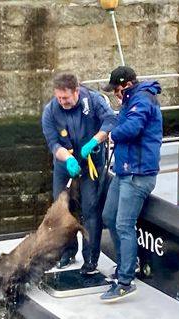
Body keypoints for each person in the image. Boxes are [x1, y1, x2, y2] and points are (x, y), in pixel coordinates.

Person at [89, 66, 163, 302]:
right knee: (109, 216)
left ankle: (125, 281)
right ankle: (127, 263)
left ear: (127, 85)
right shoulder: (130, 101)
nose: (115, 95)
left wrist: (113, 135)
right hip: (124, 171)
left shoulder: (141, 101)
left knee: (124, 224)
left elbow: (132, 128)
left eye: (116, 90)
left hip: (138, 174)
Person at [41, 72, 117, 274]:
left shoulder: (93, 101)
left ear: (76, 91)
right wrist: (67, 158)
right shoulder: (50, 111)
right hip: (66, 165)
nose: (62, 101)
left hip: (91, 164)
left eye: (65, 98)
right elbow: (53, 143)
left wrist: (95, 140)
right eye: (59, 98)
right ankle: (67, 251)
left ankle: (91, 258)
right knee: (63, 210)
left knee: (90, 210)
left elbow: (110, 120)